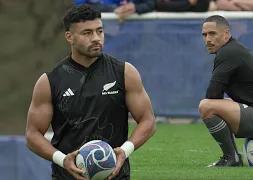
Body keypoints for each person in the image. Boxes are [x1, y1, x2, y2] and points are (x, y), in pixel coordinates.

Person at [25, 4, 156, 180]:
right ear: (69, 37)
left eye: (99, 31)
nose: (96, 38)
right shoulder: (50, 81)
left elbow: (148, 121)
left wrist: (124, 151)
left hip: (115, 176)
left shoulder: (124, 72)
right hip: (67, 176)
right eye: (87, 33)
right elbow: (32, 134)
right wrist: (63, 160)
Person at [198, 15, 253, 167]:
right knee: (211, 105)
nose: (207, 39)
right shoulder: (232, 49)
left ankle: (231, 158)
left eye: (212, 33)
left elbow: (212, 94)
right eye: (204, 35)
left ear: (226, 33)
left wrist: (222, 108)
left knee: (206, 106)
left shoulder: (228, 52)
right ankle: (232, 157)